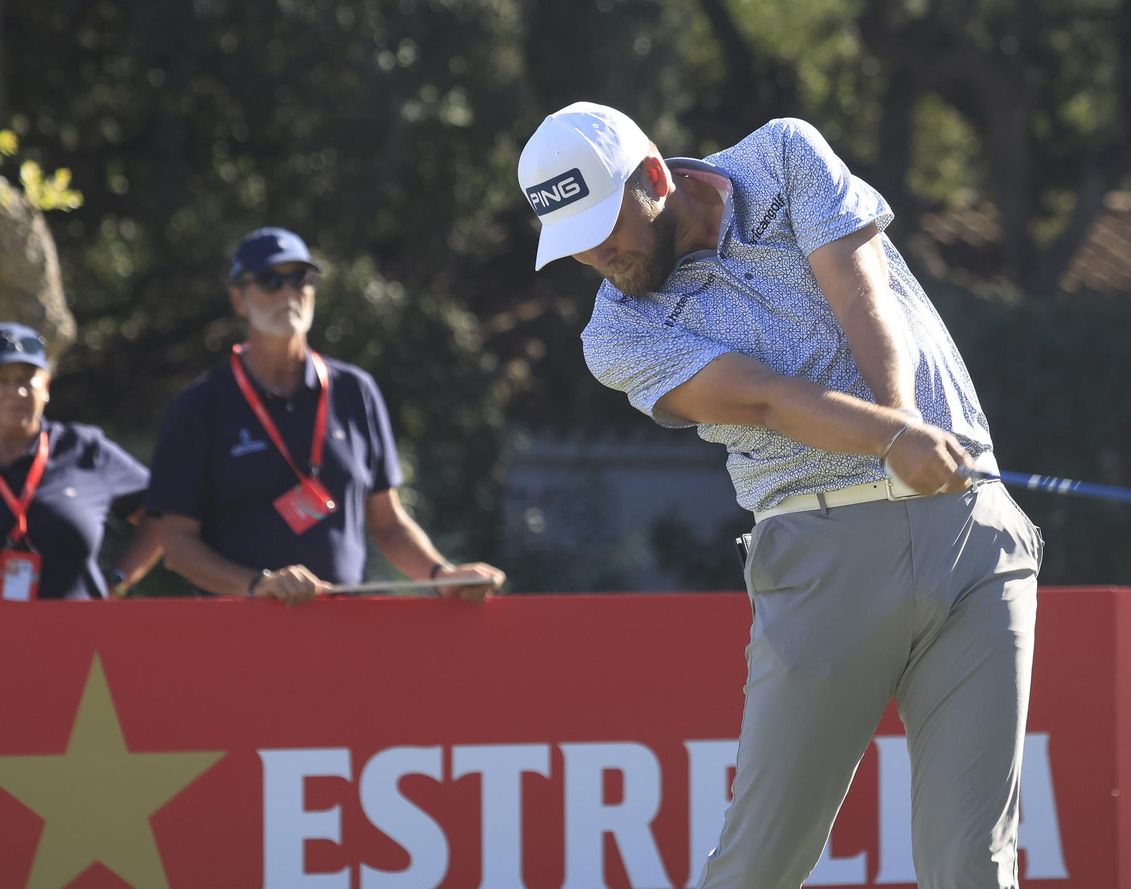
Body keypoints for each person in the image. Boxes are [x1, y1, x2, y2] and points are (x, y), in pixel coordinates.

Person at [519, 103, 1044, 888]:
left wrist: (901, 428)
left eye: (607, 224)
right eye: (576, 243)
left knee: (973, 858)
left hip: (973, 533)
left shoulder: (784, 155)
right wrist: (891, 440)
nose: (599, 254)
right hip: (823, 556)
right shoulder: (616, 334)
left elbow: (864, 296)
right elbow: (760, 396)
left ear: (655, 176)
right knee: (763, 861)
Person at [146, 227, 504, 604]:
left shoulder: (355, 390)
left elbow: (390, 524)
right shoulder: (200, 405)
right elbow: (176, 544)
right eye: (271, 281)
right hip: (241, 635)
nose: (288, 293)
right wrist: (257, 585)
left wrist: (442, 575)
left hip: (342, 633)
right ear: (238, 298)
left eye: (300, 279)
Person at [0, 322, 161, 600]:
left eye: (26, 379)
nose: (17, 392)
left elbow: (164, 514)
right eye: (2, 380)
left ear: (46, 386)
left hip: (78, 637)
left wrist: (119, 581)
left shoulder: (84, 448)